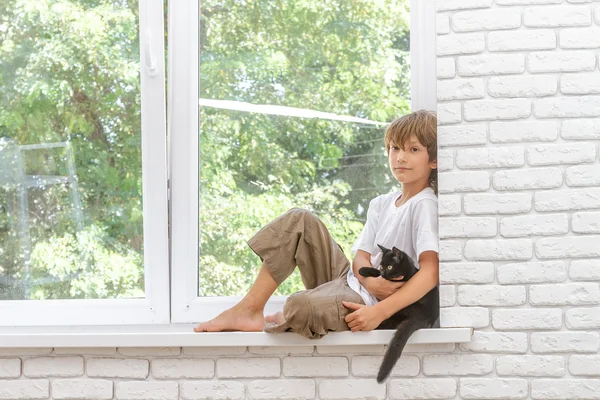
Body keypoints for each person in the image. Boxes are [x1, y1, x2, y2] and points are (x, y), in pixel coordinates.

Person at [194, 109, 439, 338]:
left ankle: (293, 314)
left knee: (300, 305)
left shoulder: (424, 204)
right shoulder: (381, 203)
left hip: (363, 303)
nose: (400, 157)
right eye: (395, 148)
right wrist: (369, 281)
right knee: (299, 220)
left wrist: (379, 312)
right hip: (350, 281)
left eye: (413, 150)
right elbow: (360, 259)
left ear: (434, 160)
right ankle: (248, 309)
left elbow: (430, 272)